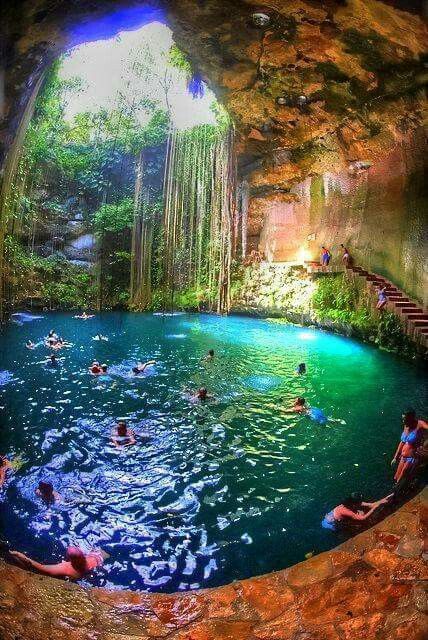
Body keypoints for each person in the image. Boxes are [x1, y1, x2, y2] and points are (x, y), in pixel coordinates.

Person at [9, 546, 103, 580]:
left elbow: (41, 567)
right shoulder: (94, 559)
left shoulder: (65, 568)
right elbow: (104, 554)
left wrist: (23, 557)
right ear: (83, 555)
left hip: (72, 577)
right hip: (88, 575)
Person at [322, 492, 393, 530]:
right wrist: (374, 508)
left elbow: (371, 504)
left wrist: (384, 499)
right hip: (330, 523)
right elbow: (362, 518)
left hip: (333, 515)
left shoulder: (351, 502)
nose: (361, 502)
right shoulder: (345, 510)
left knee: (360, 512)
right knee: (360, 515)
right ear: (354, 502)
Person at [391, 409, 427, 483]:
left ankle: (397, 492)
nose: (403, 421)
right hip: (403, 457)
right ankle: (397, 490)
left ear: (411, 418)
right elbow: (402, 442)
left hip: (411, 458)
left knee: (401, 478)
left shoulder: (419, 424)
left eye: (405, 419)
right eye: (403, 419)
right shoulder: (406, 426)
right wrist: (395, 457)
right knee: (396, 477)